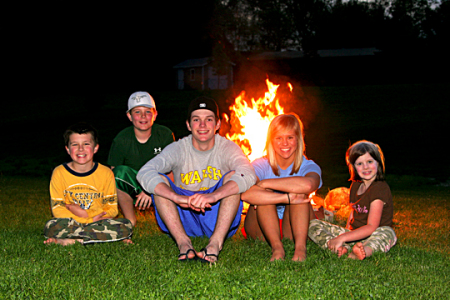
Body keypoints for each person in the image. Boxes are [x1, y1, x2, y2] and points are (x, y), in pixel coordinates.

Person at [137, 96, 256, 263]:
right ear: (188, 125)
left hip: (215, 216)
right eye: (196, 120)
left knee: (232, 179)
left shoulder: (227, 147)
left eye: (208, 119)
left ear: (218, 124)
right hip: (183, 214)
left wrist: (213, 196)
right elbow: (145, 171)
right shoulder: (178, 148)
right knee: (159, 180)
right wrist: (177, 198)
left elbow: (248, 173)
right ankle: (184, 244)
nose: (202, 125)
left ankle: (215, 244)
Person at [241, 113, 322, 261]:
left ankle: (300, 249)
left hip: (295, 225)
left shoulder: (308, 165)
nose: (284, 143)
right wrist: (285, 198)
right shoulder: (260, 164)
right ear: (270, 140)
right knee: (265, 196)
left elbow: (309, 184)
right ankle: (277, 249)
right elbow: (244, 193)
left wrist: (264, 183)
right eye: (279, 138)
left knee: (300, 194)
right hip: (261, 226)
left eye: (290, 137)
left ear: (298, 139)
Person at [44, 122, 133, 245]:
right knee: (52, 225)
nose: (81, 149)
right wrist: (86, 220)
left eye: (86, 144)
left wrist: (87, 215)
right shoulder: (59, 172)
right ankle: (103, 239)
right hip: (72, 222)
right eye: (75, 144)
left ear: (95, 148)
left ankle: (72, 240)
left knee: (125, 224)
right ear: (68, 149)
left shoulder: (106, 173)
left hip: (99, 221)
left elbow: (112, 209)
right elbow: (58, 209)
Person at [308, 140, 397, 260]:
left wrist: (343, 237)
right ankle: (339, 248)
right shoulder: (355, 186)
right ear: (353, 167)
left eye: (370, 161)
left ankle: (363, 251)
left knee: (388, 232)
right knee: (312, 224)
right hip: (354, 234)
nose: (365, 167)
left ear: (378, 163)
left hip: (374, 234)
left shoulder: (379, 188)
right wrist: (346, 233)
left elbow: (372, 226)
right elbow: (353, 211)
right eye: (359, 163)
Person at [108, 91, 175, 226]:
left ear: (155, 115)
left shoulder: (165, 134)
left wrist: (150, 188)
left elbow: (172, 171)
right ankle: (130, 219)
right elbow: (114, 175)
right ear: (129, 116)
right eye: (137, 112)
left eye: (148, 112)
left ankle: (165, 210)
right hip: (135, 187)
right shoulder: (121, 139)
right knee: (118, 173)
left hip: (160, 184)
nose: (143, 116)